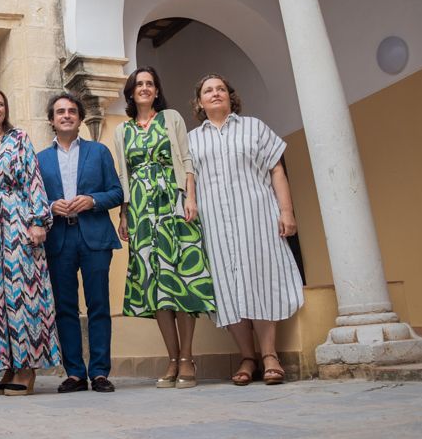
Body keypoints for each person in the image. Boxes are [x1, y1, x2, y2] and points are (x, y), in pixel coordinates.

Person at [188, 74, 303, 385]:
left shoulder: (255, 127)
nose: (215, 94)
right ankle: (247, 358)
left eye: (221, 89)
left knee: (261, 279)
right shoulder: (192, 140)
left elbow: (276, 169)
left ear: (230, 96)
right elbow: (189, 181)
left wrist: (287, 212)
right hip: (214, 223)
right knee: (227, 286)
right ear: (199, 102)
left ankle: (270, 356)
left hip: (257, 217)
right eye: (208, 91)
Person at [115, 66, 214, 388]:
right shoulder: (122, 130)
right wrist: (124, 215)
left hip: (174, 203)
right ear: (131, 93)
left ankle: (187, 358)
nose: (144, 88)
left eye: (150, 84)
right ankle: (172, 358)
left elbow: (186, 160)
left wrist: (190, 197)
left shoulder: (171, 118)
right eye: (139, 84)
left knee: (182, 279)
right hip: (142, 211)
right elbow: (124, 174)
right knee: (156, 284)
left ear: (157, 91)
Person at [0, 88, 60, 396]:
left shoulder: (19, 139)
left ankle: (27, 367)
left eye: (0, 104)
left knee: (25, 294)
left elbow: (34, 179)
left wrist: (38, 220)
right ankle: (8, 364)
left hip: (19, 220)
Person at [36, 92, 124, 393]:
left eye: (72, 111)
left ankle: (99, 372)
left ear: (80, 118)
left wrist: (92, 200)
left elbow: (116, 192)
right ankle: (74, 372)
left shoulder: (98, 152)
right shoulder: (40, 159)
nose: (66, 115)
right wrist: (51, 206)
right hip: (59, 239)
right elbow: (33, 199)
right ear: (51, 120)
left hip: (94, 237)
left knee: (99, 304)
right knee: (65, 308)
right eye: (60, 111)